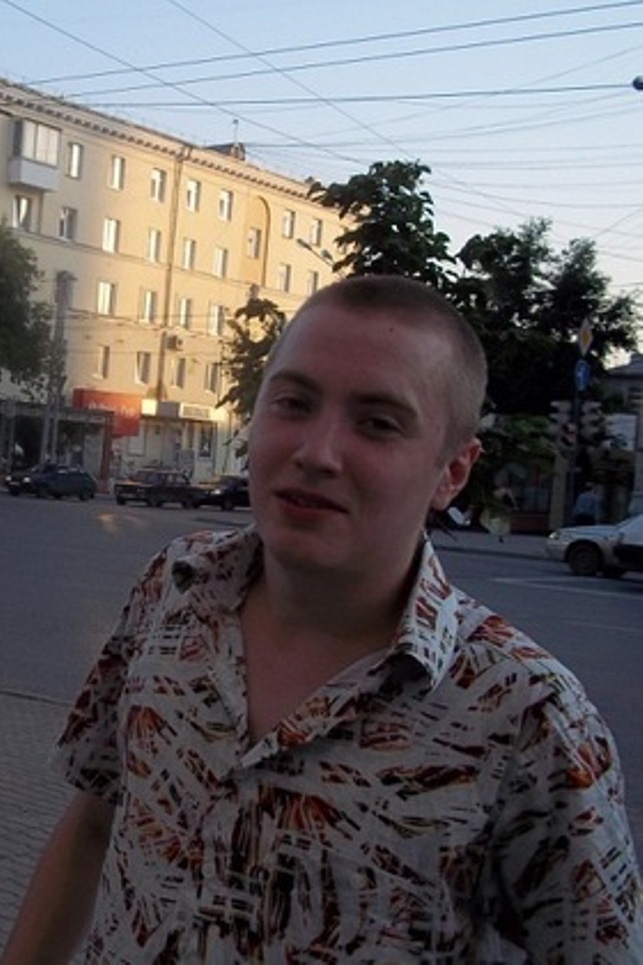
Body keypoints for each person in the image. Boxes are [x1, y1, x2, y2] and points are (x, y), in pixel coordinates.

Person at [3, 275, 642, 964]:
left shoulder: (528, 717)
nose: (316, 452)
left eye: (377, 423)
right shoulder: (172, 589)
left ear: (453, 472)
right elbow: (92, 823)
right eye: (294, 403)